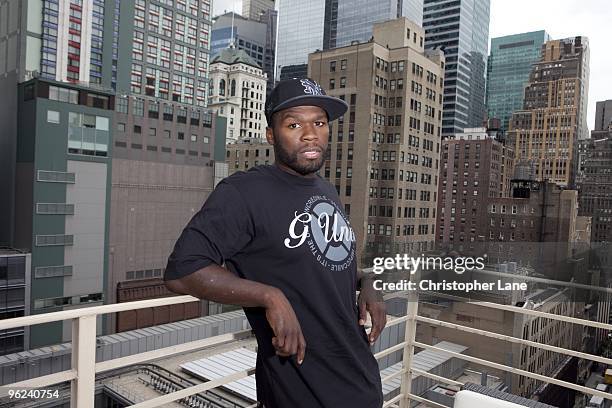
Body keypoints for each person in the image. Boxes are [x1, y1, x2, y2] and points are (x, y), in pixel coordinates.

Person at [164, 78, 386, 408]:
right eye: (294, 124)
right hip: (301, 391)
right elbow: (181, 272)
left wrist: (366, 281)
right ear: (271, 135)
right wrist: (269, 296)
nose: (310, 134)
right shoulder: (244, 193)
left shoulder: (326, 191)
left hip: (362, 382)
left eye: (320, 122)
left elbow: (327, 263)